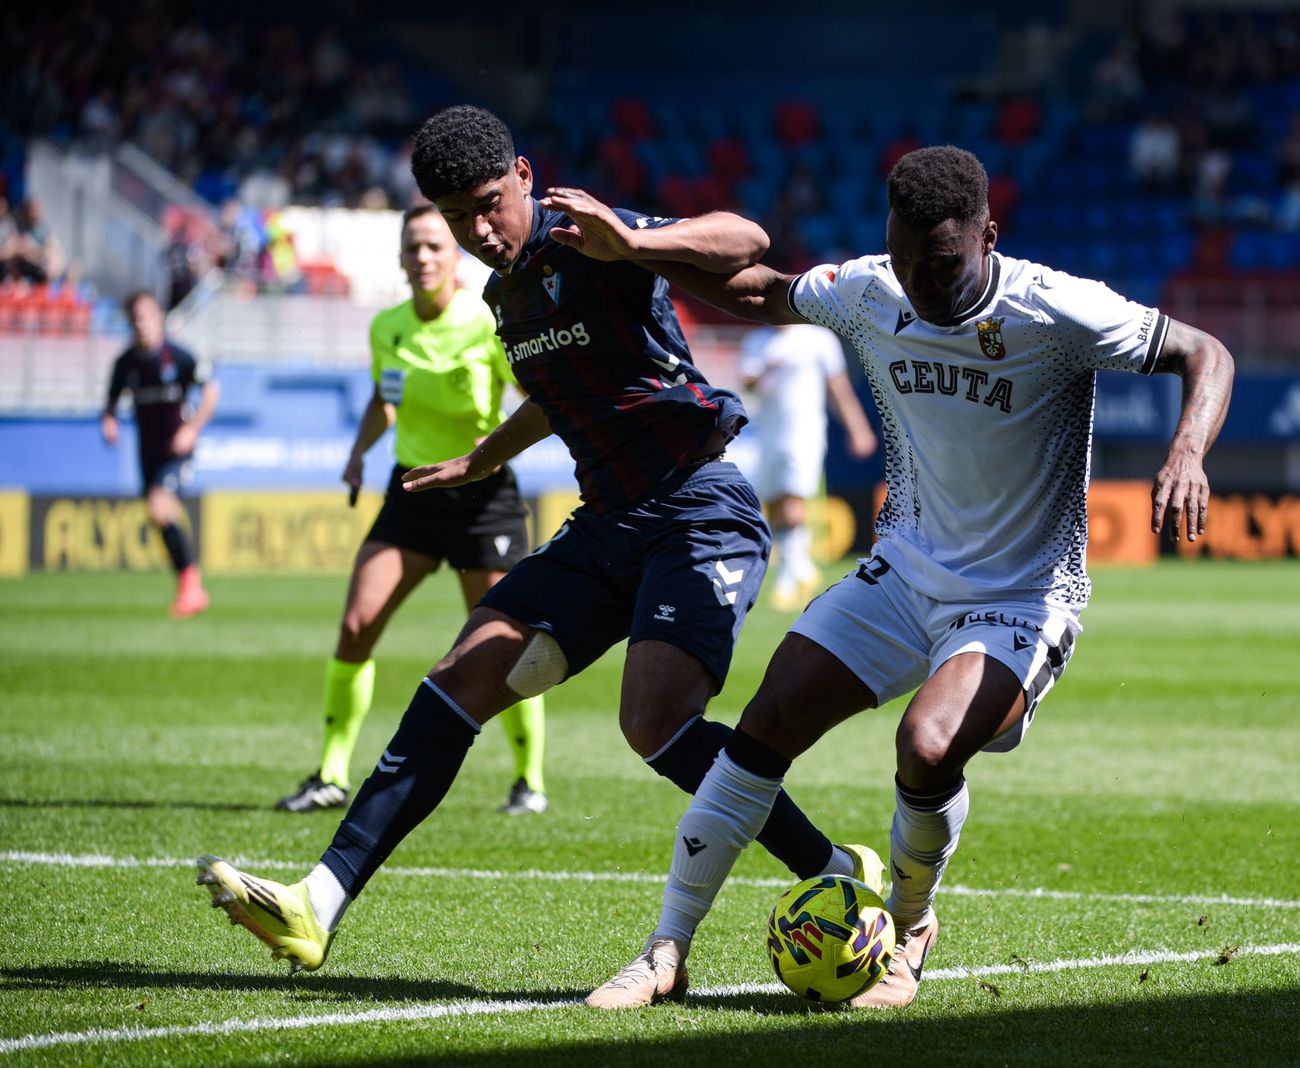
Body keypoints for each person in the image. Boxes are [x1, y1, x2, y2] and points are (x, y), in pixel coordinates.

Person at [196, 105, 879, 975]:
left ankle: (828, 867)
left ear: (524, 176)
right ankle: (316, 903)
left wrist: (632, 246)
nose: (478, 230)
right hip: (604, 526)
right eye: (455, 219)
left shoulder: (591, 235)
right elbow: (562, 389)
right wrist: (484, 456)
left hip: (698, 508)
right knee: (459, 676)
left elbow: (743, 237)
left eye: (489, 204)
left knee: (655, 725)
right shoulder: (503, 292)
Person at [582, 145, 1235, 1008]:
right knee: (763, 726)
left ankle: (911, 927)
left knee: (927, 746)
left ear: (987, 237)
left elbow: (1205, 350)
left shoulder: (1055, 309)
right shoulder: (870, 291)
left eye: (939, 265)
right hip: (900, 575)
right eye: (902, 260)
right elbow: (757, 291)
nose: (918, 284)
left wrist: (1186, 449)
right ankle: (665, 950)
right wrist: (635, 248)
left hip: (1019, 596)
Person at [275, 204, 549, 818]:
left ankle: (528, 782)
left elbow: (540, 398)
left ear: (455, 256)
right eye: (412, 248)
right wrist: (357, 452)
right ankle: (330, 774)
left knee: (506, 644)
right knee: (355, 626)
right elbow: (384, 398)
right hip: (413, 491)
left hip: (485, 496)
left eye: (433, 246)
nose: (422, 258)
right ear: (400, 259)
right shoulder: (388, 328)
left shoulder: (487, 323)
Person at [739, 324, 877, 610]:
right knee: (774, 503)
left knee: (793, 499)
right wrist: (764, 370)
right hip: (767, 432)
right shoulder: (758, 340)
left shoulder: (817, 339)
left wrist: (858, 429)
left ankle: (794, 575)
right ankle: (798, 569)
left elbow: (838, 387)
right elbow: (748, 384)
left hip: (804, 432)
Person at [101, 292, 219, 618]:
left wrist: (192, 429)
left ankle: (192, 587)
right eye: (136, 318)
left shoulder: (178, 357)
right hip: (148, 453)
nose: (143, 324)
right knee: (159, 515)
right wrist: (109, 422)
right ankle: (189, 586)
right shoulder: (126, 364)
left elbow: (211, 391)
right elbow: (110, 404)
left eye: (148, 316)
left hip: (178, 451)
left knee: (159, 506)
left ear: (159, 318)